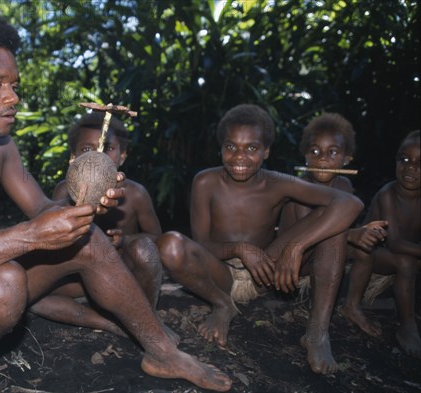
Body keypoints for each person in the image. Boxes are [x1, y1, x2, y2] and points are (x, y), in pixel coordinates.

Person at [0, 13, 231, 393]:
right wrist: (28, 237)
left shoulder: (0, 147)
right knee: (4, 283)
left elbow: (43, 209)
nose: (13, 97)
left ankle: (162, 352)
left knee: (86, 238)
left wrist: (83, 200)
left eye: (14, 85)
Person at [156, 104, 364, 375]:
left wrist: (295, 246)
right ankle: (222, 305)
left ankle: (317, 333)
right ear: (221, 148)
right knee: (170, 243)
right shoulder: (205, 182)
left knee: (335, 225)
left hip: (264, 272)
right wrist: (241, 249)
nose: (239, 157)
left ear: (266, 151)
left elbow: (351, 203)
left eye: (252, 148)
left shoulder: (280, 183)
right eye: (231, 147)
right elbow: (201, 245)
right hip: (221, 274)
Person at [29, 112, 165, 338]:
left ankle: (148, 321)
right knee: (31, 297)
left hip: (125, 276)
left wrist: (126, 240)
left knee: (146, 250)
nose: (97, 157)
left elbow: (157, 239)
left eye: (107, 148)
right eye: (87, 150)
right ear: (73, 158)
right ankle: (111, 324)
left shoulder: (136, 194)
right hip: (81, 278)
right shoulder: (64, 191)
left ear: (122, 156)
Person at [277, 112, 385, 373]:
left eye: (332, 152)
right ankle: (317, 334)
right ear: (305, 156)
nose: (322, 159)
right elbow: (316, 229)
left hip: (321, 253)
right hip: (291, 259)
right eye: (314, 151)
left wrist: (362, 234)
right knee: (338, 233)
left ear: (346, 159)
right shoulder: (301, 188)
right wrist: (352, 234)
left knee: (364, 249)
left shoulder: (344, 184)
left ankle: (353, 306)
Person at [343, 130, 420, 358]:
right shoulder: (388, 194)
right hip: (374, 252)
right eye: (404, 159)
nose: (410, 167)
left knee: (409, 261)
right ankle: (407, 326)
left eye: (419, 163)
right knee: (406, 262)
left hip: (406, 254)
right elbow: (394, 242)